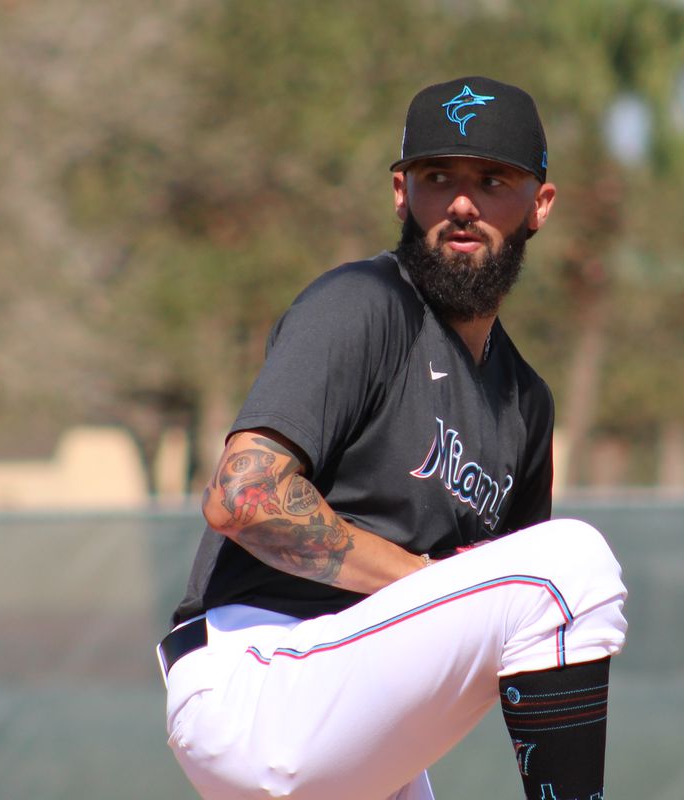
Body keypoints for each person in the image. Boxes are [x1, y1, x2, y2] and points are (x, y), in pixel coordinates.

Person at [160, 75, 628, 800]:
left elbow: (512, 636)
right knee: (573, 565)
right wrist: (431, 585)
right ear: (401, 194)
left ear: (540, 205)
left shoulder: (524, 402)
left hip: (354, 702)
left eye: (492, 179)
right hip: (259, 671)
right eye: (437, 177)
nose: (462, 203)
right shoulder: (364, 304)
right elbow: (240, 495)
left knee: (544, 579)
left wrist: (448, 597)